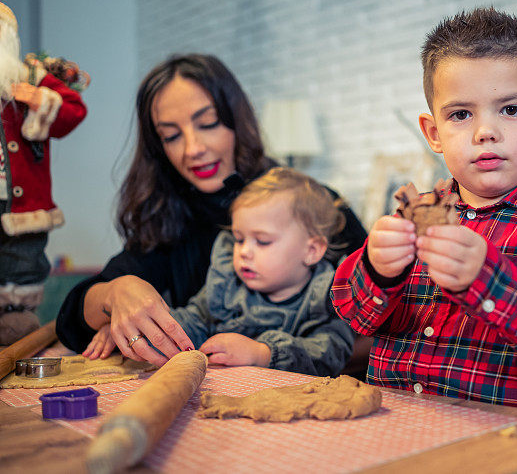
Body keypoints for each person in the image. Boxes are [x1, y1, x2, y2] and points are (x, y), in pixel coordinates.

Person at [331, 7, 517, 413]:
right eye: (461, 114)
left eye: (511, 109)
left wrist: (489, 279)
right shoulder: (414, 215)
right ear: (434, 133)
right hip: (391, 430)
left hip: (503, 441)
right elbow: (355, 317)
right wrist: (376, 269)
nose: (485, 131)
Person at [56, 54, 366, 365]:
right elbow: (72, 320)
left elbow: (375, 331)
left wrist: (265, 354)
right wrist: (117, 298)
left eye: (208, 124)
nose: (193, 149)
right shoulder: (166, 216)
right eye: (172, 136)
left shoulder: (316, 208)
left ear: (236, 122)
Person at [170, 168, 351, 375]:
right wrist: (166, 331)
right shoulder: (227, 282)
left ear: (311, 250)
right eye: (239, 239)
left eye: (263, 241)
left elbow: (330, 355)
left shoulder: (325, 298)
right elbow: (196, 320)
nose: (244, 252)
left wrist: (263, 353)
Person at [0, 2, 87, 344]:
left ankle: (14, 317)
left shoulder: (31, 77)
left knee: (22, 256)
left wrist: (39, 98)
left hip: (23, 197)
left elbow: (74, 110)